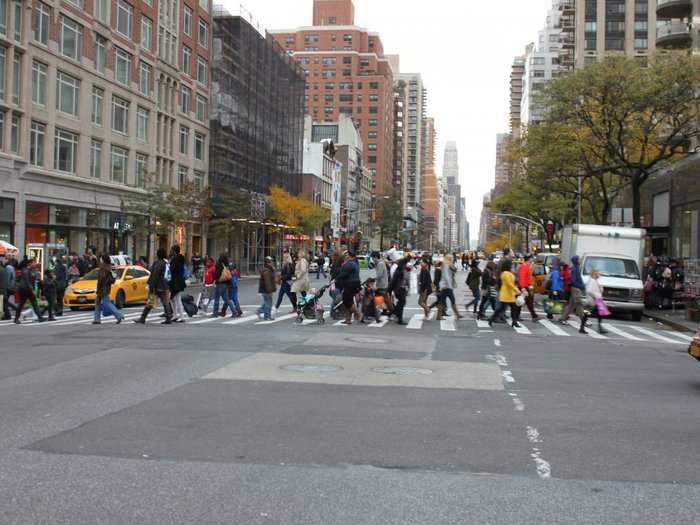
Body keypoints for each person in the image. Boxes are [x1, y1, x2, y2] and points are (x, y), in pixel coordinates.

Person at [134, 248, 173, 325]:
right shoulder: (165, 263)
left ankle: (142, 318)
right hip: (163, 285)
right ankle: (168, 317)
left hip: (156, 286)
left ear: (158, 255)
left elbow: (154, 275)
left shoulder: (157, 263)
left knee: (150, 302)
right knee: (165, 302)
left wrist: (151, 286)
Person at [489, 259, 522, 329]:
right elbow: (510, 284)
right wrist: (518, 291)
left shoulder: (507, 273)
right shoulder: (505, 274)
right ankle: (492, 319)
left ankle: (514, 322)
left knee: (512, 308)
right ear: (508, 266)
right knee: (502, 309)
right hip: (506, 295)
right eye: (511, 265)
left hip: (509, 294)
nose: (512, 266)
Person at [93, 255, 125, 325]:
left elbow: (101, 279)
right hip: (106, 288)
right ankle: (96, 319)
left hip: (102, 288)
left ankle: (119, 315)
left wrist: (99, 284)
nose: (100, 260)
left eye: (101, 259)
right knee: (98, 303)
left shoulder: (103, 267)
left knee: (106, 303)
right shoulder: (109, 267)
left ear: (103, 260)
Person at [14, 260, 45, 324]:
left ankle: (40, 317)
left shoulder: (32, 271)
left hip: (29, 289)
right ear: (29, 264)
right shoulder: (25, 271)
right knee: (21, 304)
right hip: (24, 289)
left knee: (34, 303)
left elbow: (33, 282)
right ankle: (16, 319)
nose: (35, 264)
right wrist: (33, 290)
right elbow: (28, 282)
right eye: (33, 263)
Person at [335, 251, 362, 324]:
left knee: (347, 301)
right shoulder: (354, 263)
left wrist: (336, 279)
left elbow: (343, 274)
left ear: (350, 256)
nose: (346, 256)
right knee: (349, 301)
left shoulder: (350, 264)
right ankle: (348, 319)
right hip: (353, 284)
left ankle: (358, 314)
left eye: (347, 255)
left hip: (350, 284)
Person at [580, 268, 608, 335]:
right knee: (590, 314)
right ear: (595, 274)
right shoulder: (592, 281)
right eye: (598, 273)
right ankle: (599, 328)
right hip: (593, 302)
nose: (599, 274)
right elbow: (589, 291)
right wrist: (596, 297)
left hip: (593, 301)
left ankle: (582, 328)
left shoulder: (594, 281)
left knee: (590, 314)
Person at [559, 255, 585, 325]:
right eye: (579, 259)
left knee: (571, 305)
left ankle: (562, 318)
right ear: (576, 260)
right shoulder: (575, 269)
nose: (580, 260)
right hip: (576, 289)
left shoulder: (576, 268)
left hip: (575, 289)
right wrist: (581, 286)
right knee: (579, 304)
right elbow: (573, 281)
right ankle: (583, 320)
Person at [437, 255, 463, 321]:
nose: (453, 259)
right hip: (446, 286)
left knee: (443, 301)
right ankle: (457, 315)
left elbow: (451, 274)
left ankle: (439, 316)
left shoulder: (448, 265)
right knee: (450, 300)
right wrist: (449, 286)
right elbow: (446, 276)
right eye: (451, 258)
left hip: (446, 286)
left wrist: (453, 269)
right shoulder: (445, 265)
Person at [212, 254, 236, 318]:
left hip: (220, 283)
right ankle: (234, 311)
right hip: (226, 284)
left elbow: (217, 275)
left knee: (216, 298)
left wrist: (214, 277)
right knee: (226, 299)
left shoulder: (219, 265)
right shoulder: (226, 265)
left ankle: (215, 313)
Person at [517, 255, 539, 321]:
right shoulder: (524, 266)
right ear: (529, 259)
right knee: (525, 301)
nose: (533, 259)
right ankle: (534, 315)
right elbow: (522, 278)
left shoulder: (527, 266)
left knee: (526, 302)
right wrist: (523, 288)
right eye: (532, 258)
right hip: (525, 287)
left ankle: (533, 315)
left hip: (527, 287)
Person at [168, 245, 187, 323]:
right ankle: (176, 315)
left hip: (176, 281)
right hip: (177, 281)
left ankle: (181, 316)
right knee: (172, 298)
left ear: (174, 251)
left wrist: (169, 265)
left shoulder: (176, 259)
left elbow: (173, 269)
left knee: (177, 299)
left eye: (171, 250)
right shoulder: (179, 258)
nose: (170, 251)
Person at [372, 251, 392, 316]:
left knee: (386, 299)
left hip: (382, 285)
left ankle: (392, 311)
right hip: (381, 285)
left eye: (372, 258)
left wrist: (372, 279)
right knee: (379, 298)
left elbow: (379, 275)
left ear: (375, 257)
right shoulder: (379, 263)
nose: (372, 260)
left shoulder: (380, 264)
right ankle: (383, 311)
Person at [257, 256, 277, 320]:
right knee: (268, 303)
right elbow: (267, 282)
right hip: (266, 290)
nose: (272, 262)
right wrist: (270, 290)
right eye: (271, 261)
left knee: (267, 303)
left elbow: (272, 279)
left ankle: (263, 313)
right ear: (268, 263)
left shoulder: (270, 269)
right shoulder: (267, 270)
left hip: (266, 290)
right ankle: (266, 316)